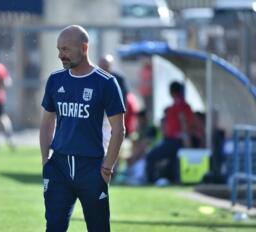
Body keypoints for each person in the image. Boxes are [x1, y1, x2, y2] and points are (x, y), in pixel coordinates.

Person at [39, 25, 125, 232]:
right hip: (58, 167)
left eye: (66, 49)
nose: (61, 55)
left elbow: (119, 130)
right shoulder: (55, 80)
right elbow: (46, 123)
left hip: (92, 168)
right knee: (54, 228)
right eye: (59, 49)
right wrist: (45, 161)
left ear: (84, 48)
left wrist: (107, 168)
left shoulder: (106, 82)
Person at [145, 81, 195, 184]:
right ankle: (174, 181)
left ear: (172, 92)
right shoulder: (184, 105)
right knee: (174, 162)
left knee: (151, 156)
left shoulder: (179, 104)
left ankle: (150, 181)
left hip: (175, 140)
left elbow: (183, 122)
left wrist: (187, 140)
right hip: (175, 140)